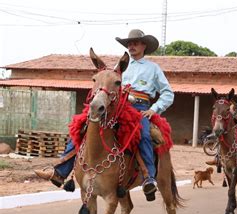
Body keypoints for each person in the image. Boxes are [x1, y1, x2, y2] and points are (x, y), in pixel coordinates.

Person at [34, 29, 175, 199]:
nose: (131, 46)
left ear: (144, 45)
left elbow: (168, 93)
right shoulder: (118, 68)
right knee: (82, 126)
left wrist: (154, 109)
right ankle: (60, 172)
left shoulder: (153, 69)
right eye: (129, 43)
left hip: (139, 108)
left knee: (144, 135)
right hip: (116, 105)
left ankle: (148, 178)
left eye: (135, 43)